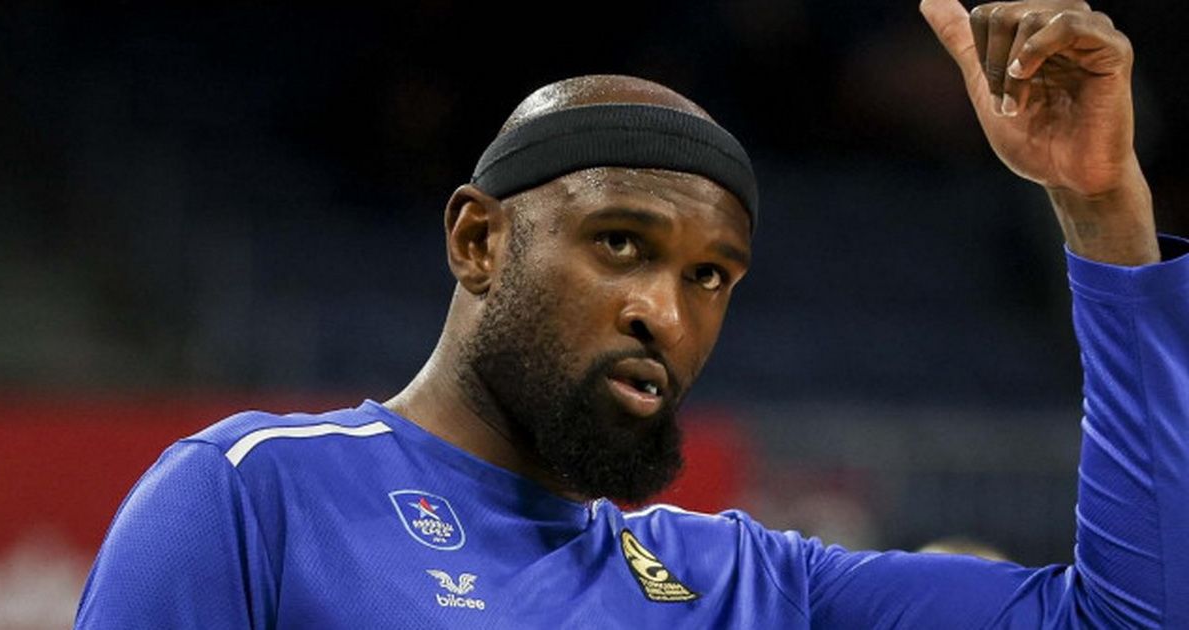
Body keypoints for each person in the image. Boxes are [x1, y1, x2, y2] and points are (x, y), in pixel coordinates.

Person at [76, 0, 1188, 627]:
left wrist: (1101, 208)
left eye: (711, 277)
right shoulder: (254, 496)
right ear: (478, 240)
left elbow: (1133, 619)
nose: (664, 309)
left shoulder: (752, 588)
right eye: (621, 245)